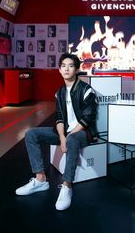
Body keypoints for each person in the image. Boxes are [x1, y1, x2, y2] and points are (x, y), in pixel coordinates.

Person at [15, 53, 98, 211]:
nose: (66, 69)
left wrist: (69, 135)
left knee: (72, 139)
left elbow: (88, 118)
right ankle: (40, 180)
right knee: (31, 134)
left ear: (77, 69)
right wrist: (61, 137)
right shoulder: (60, 92)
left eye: (71, 66)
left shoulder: (86, 90)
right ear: (59, 70)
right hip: (65, 132)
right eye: (63, 66)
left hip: (84, 132)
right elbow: (59, 117)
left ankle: (67, 186)